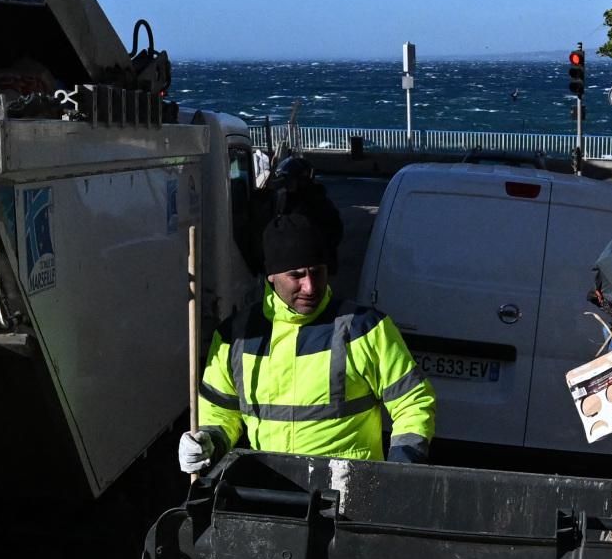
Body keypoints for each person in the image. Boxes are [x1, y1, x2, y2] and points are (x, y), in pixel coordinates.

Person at [179, 199, 435, 472]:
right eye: (296, 275)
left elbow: (413, 402)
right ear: (271, 276)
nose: (310, 286)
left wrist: (402, 469)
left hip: (349, 495)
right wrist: (208, 442)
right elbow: (221, 413)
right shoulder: (236, 336)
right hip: (273, 493)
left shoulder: (365, 329)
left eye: (317, 271)